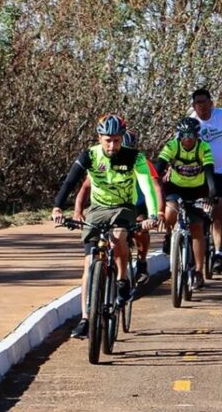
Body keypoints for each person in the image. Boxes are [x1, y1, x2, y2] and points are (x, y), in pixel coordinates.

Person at [51, 115, 159, 339]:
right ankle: (86, 318)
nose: (112, 146)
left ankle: (121, 280)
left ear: (122, 139)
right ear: (99, 137)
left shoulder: (134, 157)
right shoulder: (89, 155)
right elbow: (70, 182)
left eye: (117, 141)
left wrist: (153, 214)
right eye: (107, 140)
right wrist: (58, 208)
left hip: (123, 207)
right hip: (98, 208)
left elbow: (147, 187)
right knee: (90, 263)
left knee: (119, 237)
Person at [73, 129, 163, 286]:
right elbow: (85, 188)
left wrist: (157, 213)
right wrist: (78, 211)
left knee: (140, 228)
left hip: (138, 203)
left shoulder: (142, 162)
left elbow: (155, 189)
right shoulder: (103, 161)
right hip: (109, 205)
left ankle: (141, 263)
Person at [155, 117, 218, 289]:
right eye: (183, 134)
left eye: (191, 134)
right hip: (175, 187)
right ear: (179, 135)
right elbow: (158, 167)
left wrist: (211, 195)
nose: (187, 138)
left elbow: (210, 174)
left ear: (197, 135)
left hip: (198, 189)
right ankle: (169, 235)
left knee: (196, 227)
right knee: (170, 213)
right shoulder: (172, 146)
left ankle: (198, 272)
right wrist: (155, 181)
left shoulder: (203, 147)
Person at [190, 88, 222, 274]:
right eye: (197, 103)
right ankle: (195, 262)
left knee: (220, 211)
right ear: (194, 106)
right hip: (199, 173)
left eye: (204, 102)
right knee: (196, 214)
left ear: (211, 103)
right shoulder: (192, 122)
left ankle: (218, 253)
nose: (201, 106)